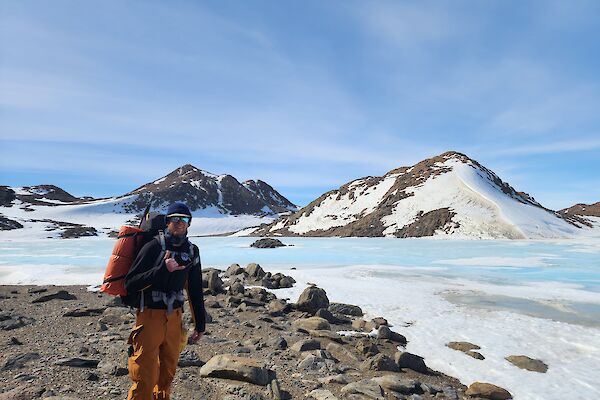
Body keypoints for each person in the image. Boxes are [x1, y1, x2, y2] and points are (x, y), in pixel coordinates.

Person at [124, 202, 205, 400]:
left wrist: (200, 324)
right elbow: (131, 283)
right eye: (174, 219)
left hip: (175, 318)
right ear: (167, 222)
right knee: (144, 375)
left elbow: (195, 289)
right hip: (150, 316)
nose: (178, 223)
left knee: (166, 375)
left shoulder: (192, 251)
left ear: (189, 223)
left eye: (183, 219)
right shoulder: (153, 247)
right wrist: (162, 269)